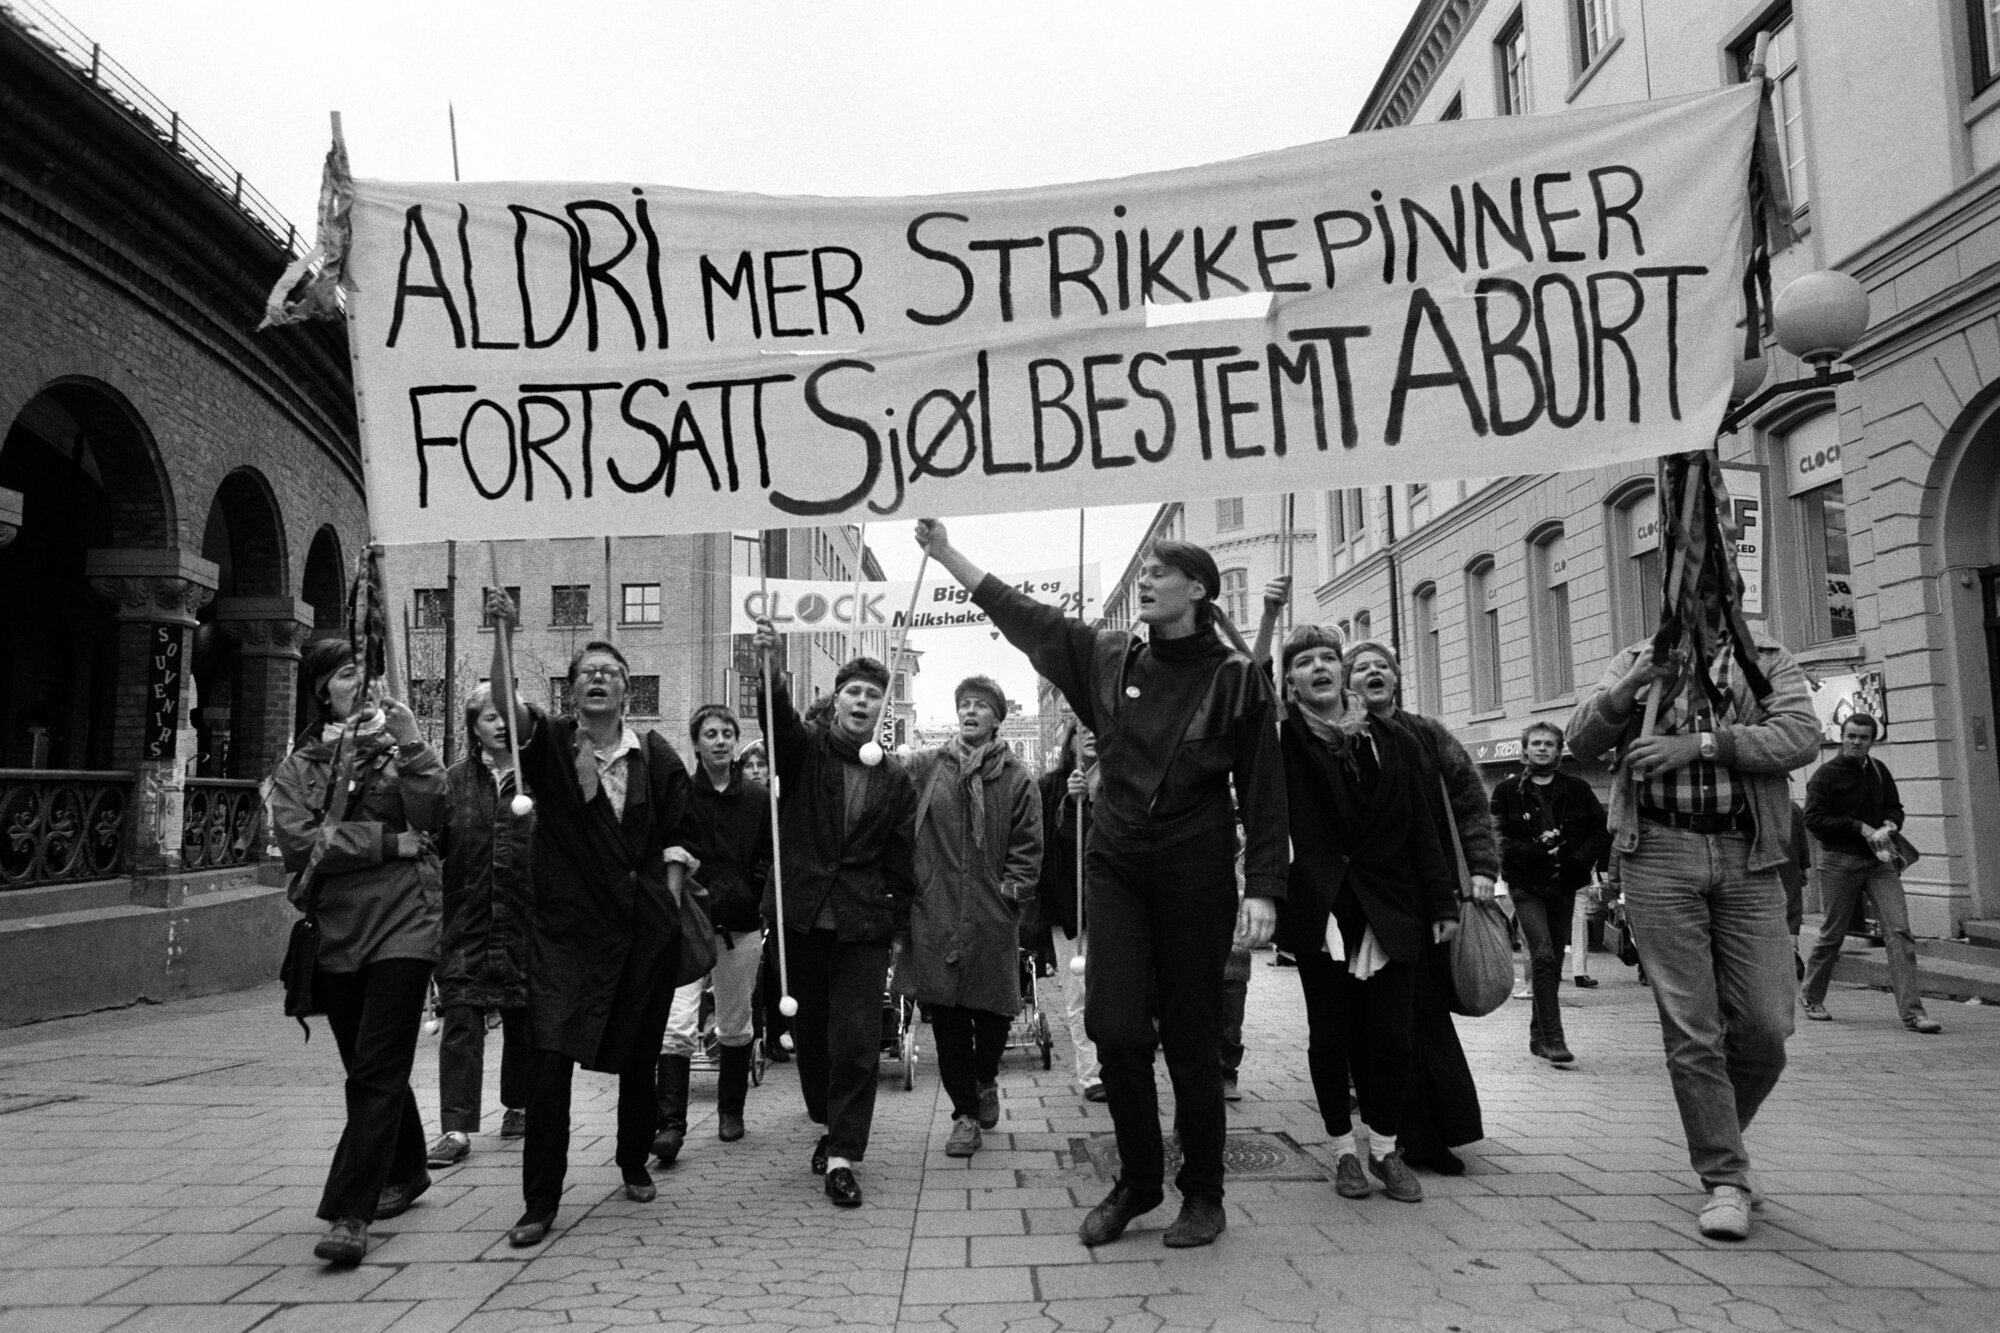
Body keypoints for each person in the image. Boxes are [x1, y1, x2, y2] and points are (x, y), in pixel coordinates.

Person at [915, 519, 1285, 1250]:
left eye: (1160, 571)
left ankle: (1203, 1193)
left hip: (1195, 868)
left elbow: (1265, 788)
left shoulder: (1235, 679)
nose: (1144, 581)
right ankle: (1139, 1179)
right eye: (1143, 570)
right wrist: (947, 552)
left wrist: (1263, 886)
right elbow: (1022, 615)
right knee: (1113, 1028)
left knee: (1191, 1037)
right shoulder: (1109, 657)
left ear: (1198, 591)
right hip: (1116, 864)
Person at [1567, 593, 1819, 1241]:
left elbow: (1799, 737)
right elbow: (1581, 741)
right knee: (1693, 1027)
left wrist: (1700, 745)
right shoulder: (1635, 660)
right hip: (1658, 852)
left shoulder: (1767, 660)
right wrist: (1626, 690)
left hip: (1750, 852)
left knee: (1766, 1025)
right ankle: (1726, 1176)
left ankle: (1721, 1138)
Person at [486, 596, 699, 1248]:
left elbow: (679, 838)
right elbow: (504, 699)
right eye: (587, 671)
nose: (598, 677)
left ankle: (632, 1159)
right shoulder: (551, 745)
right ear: (572, 687)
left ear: (627, 690)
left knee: (638, 1055)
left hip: (638, 934)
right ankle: (540, 1201)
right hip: (563, 934)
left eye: (610, 671)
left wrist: (662, 908)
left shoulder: (654, 758)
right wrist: (504, 632)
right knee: (548, 1061)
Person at [270, 641, 446, 1266]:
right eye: (348, 674)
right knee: (368, 1065)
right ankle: (408, 1167)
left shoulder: (402, 748)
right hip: (337, 929)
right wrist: (384, 841)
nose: (363, 684)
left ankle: (351, 1212)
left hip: (406, 920)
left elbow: (436, 817)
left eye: (369, 673)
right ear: (323, 689)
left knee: (376, 1065)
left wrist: (415, 743)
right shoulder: (299, 766)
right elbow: (297, 841)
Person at [1274, 625, 1458, 1205]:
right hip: (1323, 909)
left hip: (1391, 906)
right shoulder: (1282, 741)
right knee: (1330, 1036)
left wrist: (1443, 901)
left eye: (1329, 657)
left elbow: (1421, 824)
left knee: (1392, 1038)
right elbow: (1247, 701)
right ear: (1292, 682)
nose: (1321, 667)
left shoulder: (1391, 738)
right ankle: (1342, 1152)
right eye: (1306, 662)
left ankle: (1384, 1148)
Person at [753, 622, 919, 1208]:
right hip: (801, 915)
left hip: (863, 924)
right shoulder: (805, 750)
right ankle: (827, 1118)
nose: (863, 702)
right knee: (811, 1036)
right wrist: (771, 672)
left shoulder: (895, 777)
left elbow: (902, 859)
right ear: (838, 698)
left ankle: (844, 1152)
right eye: (854, 692)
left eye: (874, 696)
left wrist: (901, 932)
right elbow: (777, 726)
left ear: (881, 711)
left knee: (856, 1041)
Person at [1336, 635, 1496, 1176]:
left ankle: (1429, 1135)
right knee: (1375, 1023)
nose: (1373, 673)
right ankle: (1389, 1128)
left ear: (1397, 679)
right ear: (1345, 682)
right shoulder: (1336, 737)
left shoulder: (1426, 736)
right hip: (1361, 900)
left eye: (1383, 666)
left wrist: (1481, 870)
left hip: (1423, 896)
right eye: (1361, 668)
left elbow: (1469, 803)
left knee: (1422, 1017)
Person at [906, 676, 1044, 1158]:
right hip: (937, 909)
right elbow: (894, 796)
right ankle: (964, 1114)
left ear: (996, 718)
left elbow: (1029, 845)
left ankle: (986, 1078)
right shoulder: (927, 767)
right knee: (945, 1018)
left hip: (990, 913)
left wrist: (1011, 892)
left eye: (980, 705)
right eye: (963, 704)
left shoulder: (1015, 777)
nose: (969, 712)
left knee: (993, 1014)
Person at [657, 704, 774, 1158]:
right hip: (690, 922)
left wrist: (754, 891)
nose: (721, 741)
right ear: (697, 742)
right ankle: (670, 1123)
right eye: (711, 733)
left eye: (728, 732)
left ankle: (731, 1111)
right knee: (677, 1020)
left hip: (740, 924)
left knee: (734, 1018)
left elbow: (769, 854)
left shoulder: (759, 799)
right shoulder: (682, 796)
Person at [427, 684, 532, 1171]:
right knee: (461, 1022)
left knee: (523, 1018)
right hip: (465, 919)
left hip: (525, 921)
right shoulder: (451, 782)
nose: (501, 724)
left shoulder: (540, 782)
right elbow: (431, 851)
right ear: (473, 726)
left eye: (509, 714)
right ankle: (455, 1126)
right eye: (490, 716)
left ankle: (519, 1104)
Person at [1800, 714, 1940, 1033]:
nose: (1856, 741)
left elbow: (1894, 806)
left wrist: (1891, 823)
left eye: (1863, 737)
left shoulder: (1878, 770)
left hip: (1879, 861)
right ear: (1842, 735)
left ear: (1871, 740)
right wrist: (1857, 827)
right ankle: (1811, 995)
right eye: (1851, 735)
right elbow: (1813, 819)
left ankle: (1912, 1013)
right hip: (1839, 861)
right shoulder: (1825, 775)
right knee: (1833, 934)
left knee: (1899, 931)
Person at [1490, 721, 1610, 1066]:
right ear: (1524, 750)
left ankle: (1537, 1035)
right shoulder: (1506, 791)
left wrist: (1577, 862)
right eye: (1536, 743)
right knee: (1542, 955)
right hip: (1526, 884)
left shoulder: (1577, 789)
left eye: (1549, 744)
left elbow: (1600, 833)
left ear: (1559, 751)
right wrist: (1533, 853)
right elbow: (1496, 837)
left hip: (1564, 882)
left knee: (1554, 961)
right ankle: (1554, 1038)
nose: (1542, 748)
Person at [1037, 721, 1104, 1102]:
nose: (1091, 734)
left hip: (1115, 904)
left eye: (1098, 726)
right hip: (1069, 906)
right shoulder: (1051, 785)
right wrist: (1070, 804)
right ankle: (1090, 1073)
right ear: (1071, 739)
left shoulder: (1124, 780)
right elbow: (1048, 846)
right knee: (1078, 992)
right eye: (1082, 728)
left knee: (1115, 992)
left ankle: (1116, 1064)